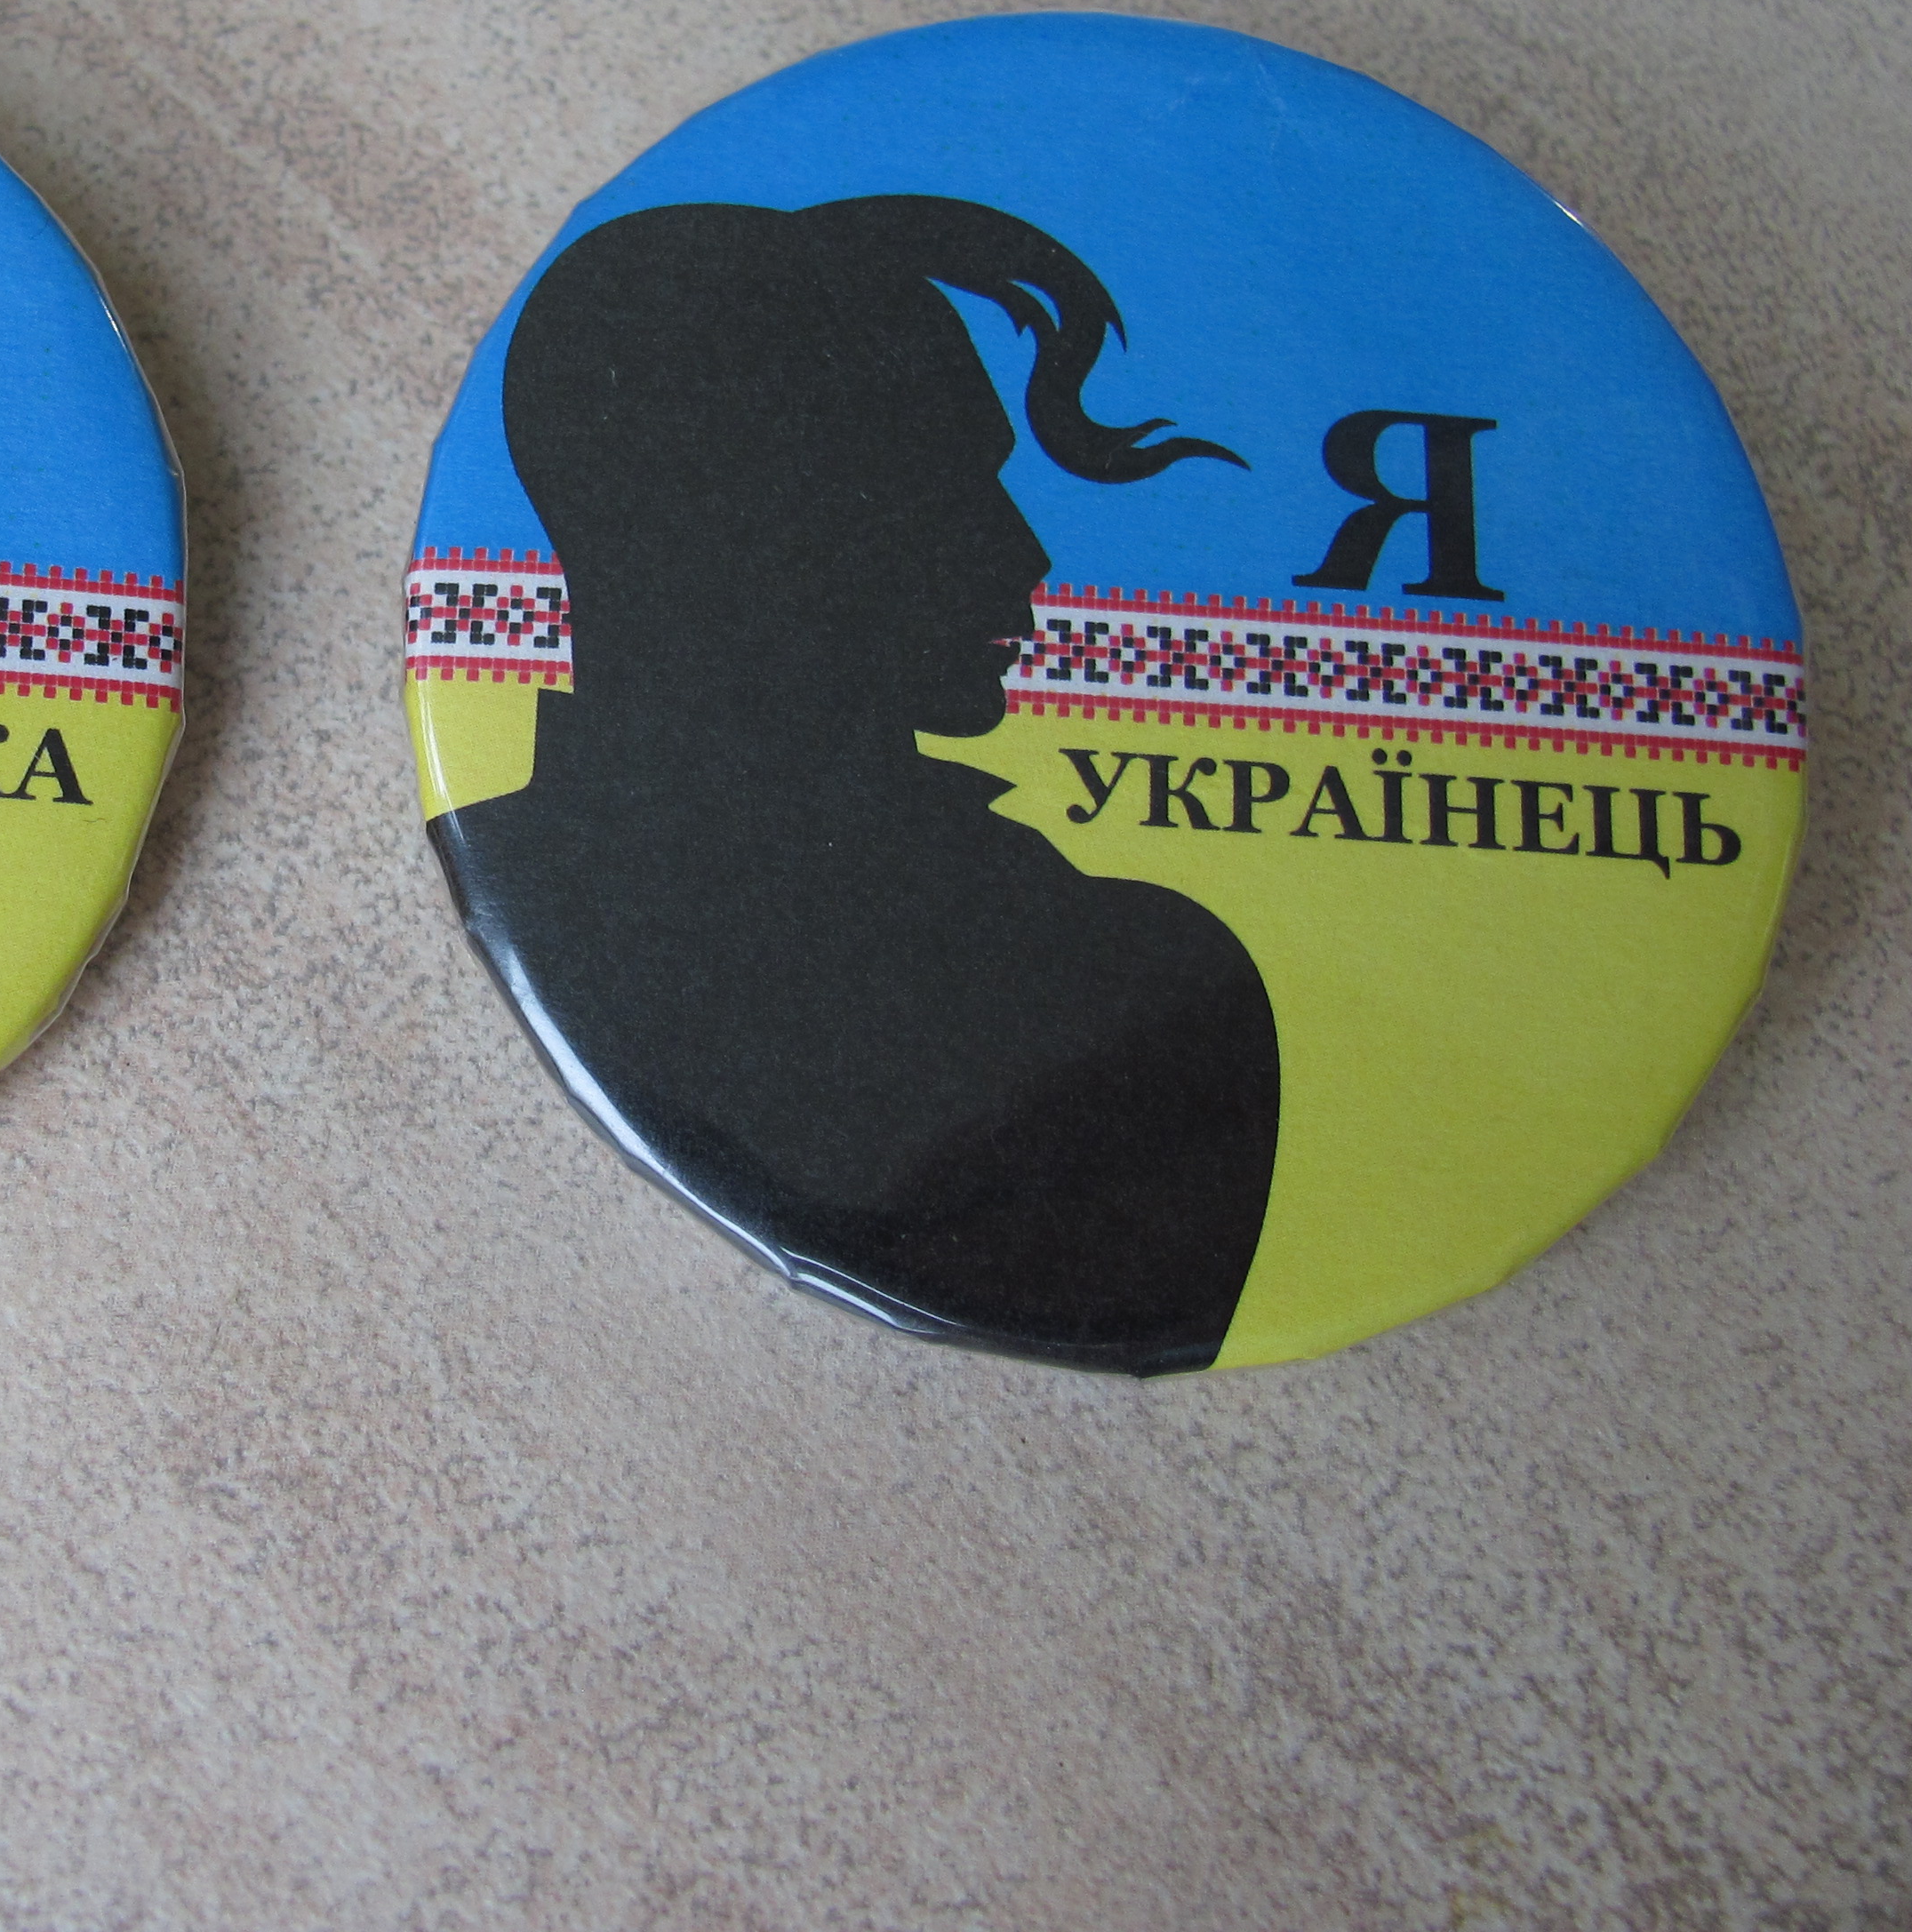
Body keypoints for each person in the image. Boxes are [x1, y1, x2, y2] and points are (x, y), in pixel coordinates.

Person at [436, 196, 1280, 1373]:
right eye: (937, 483)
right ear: (713, 518)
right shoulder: (1138, 981)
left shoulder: (1139, 983)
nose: (1026, 552)